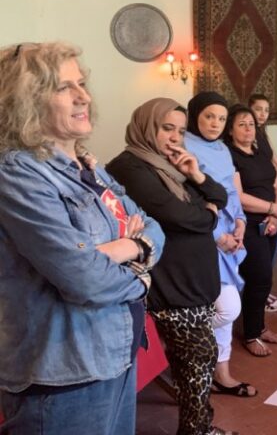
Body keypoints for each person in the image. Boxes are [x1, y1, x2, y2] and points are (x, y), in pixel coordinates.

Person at [0, 42, 164, 435]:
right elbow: (84, 278)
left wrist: (127, 247)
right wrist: (142, 275)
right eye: (63, 87)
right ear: (26, 101)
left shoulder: (89, 167)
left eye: (82, 84)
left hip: (115, 351)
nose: (83, 97)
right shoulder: (18, 173)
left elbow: (153, 228)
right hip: (64, 371)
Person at [106, 98, 232, 435]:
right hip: (172, 282)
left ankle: (199, 428)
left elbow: (220, 197)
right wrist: (208, 215)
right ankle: (197, 431)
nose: (175, 137)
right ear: (147, 126)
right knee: (199, 360)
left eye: (180, 130)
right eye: (167, 128)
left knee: (196, 362)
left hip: (193, 280)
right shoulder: (129, 167)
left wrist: (195, 173)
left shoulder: (171, 164)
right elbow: (180, 216)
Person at [184, 92, 256, 398]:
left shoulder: (223, 149)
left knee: (226, 305)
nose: (215, 124)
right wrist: (217, 236)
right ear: (195, 116)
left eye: (222, 119)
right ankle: (180, 344)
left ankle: (221, 374)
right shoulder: (184, 146)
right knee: (228, 307)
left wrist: (240, 221)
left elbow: (231, 191)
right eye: (209, 116)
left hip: (230, 232)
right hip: (204, 234)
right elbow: (185, 200)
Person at [226, 104, 277, 357]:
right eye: (242, 124)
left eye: (251, 124)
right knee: (259, 278)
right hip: (248, 224)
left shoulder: (260, 154)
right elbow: (239, 197)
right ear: (230, 130)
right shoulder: (230, 157)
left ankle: (259, 326)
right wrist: (272, 208)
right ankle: (250, 334)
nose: (248, 128)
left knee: (264, 279)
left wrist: (276, 214)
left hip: (269, 222)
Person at [248, 93, 277, 313]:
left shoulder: (263, 133)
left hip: (269, 192)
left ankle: (262, 291)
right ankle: (259, 293)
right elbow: (269, 165)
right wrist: (272, 167)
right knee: (268, 249)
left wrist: (273, 166)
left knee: (275, 246)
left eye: (266, 110)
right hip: (258, 197)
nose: (262, 114)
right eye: (258, 109)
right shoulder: (249, 135)